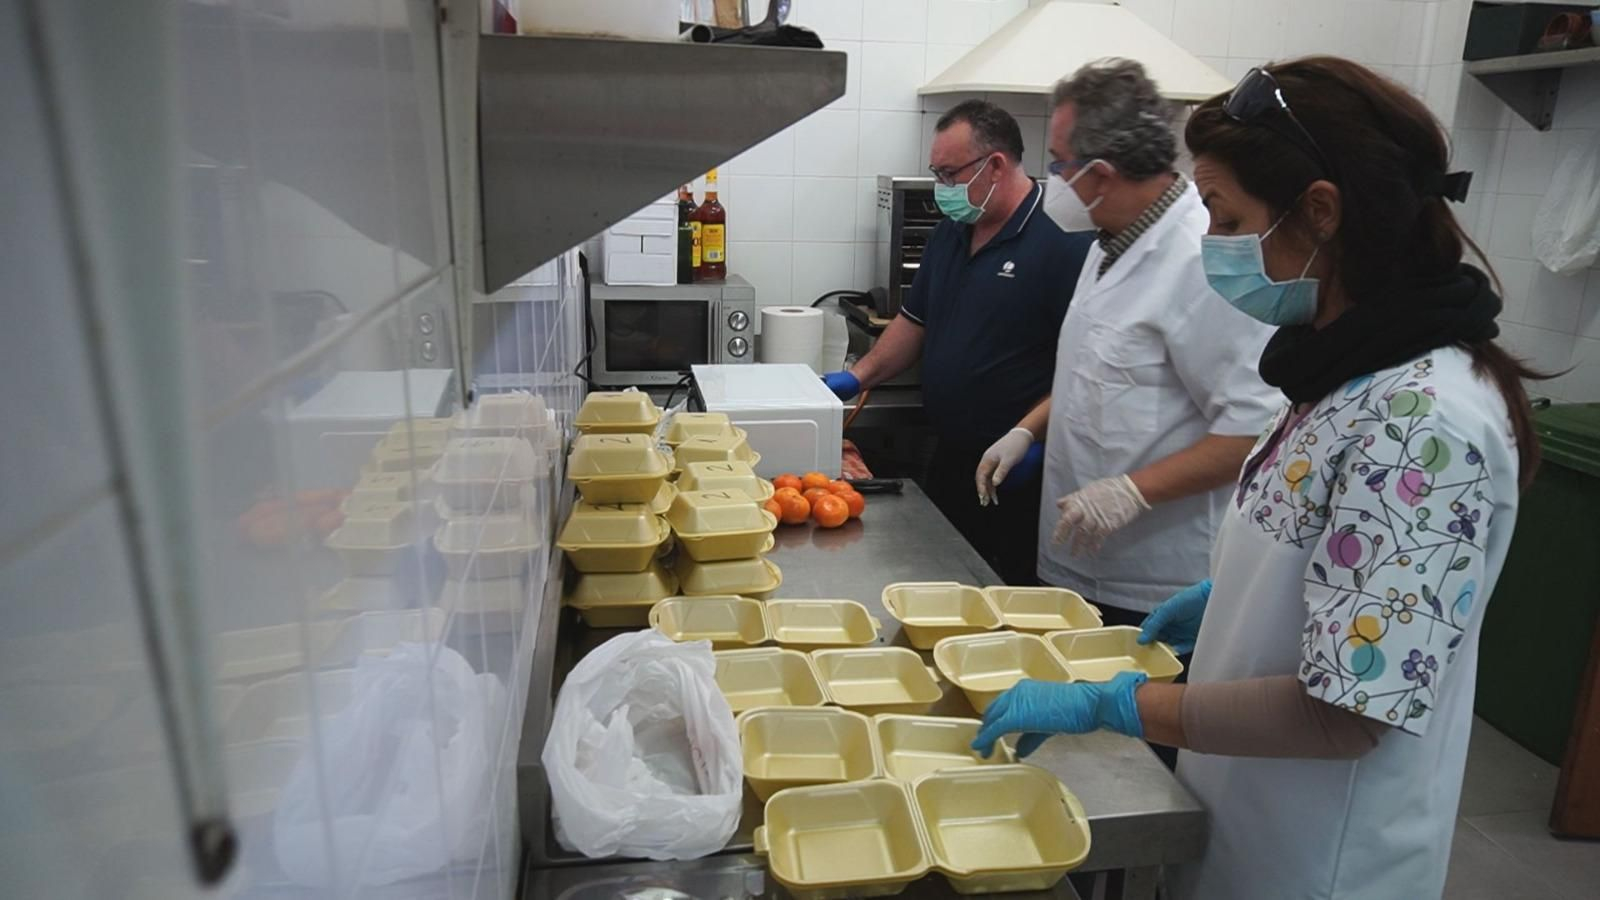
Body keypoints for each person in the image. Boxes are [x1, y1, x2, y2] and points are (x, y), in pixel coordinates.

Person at [971, 57, 1540, 899]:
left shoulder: (1424, 427)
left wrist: (1120, 705)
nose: (1210, 244)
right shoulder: (1333, 372)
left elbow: (1345, 712)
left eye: (1226, 215)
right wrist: (1235, 594)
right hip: (1241, 809)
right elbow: (1310, 541)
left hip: (1316, 856)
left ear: (1319, 211)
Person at [1000, 59, 1279, 624]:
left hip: (1154, 583)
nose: (1050, 180)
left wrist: (1129, 491)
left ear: (1100, 175)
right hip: (1077, 559)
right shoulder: (1110, 241)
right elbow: (1102, 371)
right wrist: (1026, 429)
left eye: (1058, 165)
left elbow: (1253, 426)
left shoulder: (1200, 259)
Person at [823, 100, 1093, 585]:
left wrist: (1031, 436)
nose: (942, 188)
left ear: (995, 166)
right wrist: (854, 378)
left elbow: (1084, 368)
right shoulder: (950, 232)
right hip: (949, 455)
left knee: (1003, 597)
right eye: (936, 174)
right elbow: (913, 322)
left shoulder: (1063, 241)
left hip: (1018, 469)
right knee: (943, 580)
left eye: (950, 174)